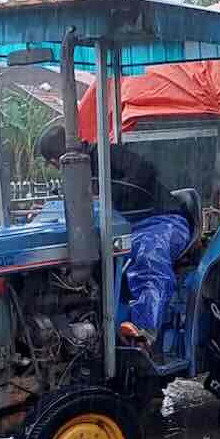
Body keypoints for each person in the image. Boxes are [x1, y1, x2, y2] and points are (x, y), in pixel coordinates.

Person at [36, 122, 193, 348]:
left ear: (57, 160)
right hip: (123, 229)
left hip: (160, 221)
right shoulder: (75, 181)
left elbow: (145, 171)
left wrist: (109, 196)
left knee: (148, 253)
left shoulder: (107, 155)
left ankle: (143, 330)